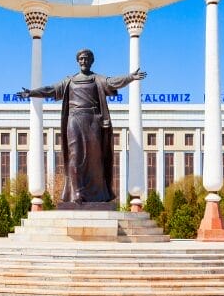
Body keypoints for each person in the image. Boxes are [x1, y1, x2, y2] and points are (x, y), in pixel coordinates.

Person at [18, 49, 145, 204]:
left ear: (91, 61)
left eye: (86, 59)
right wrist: (32, 92)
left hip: (93, 121)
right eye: (81, 59)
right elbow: (50, 90)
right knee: (75, 155)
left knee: (95, 159)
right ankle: (77, 192)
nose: (83, 61)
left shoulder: (97, 79)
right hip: (74, 121)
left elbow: (112, 82)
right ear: (77, 61)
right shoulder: (69, 81)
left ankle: (97, 195)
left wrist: (130, 77)